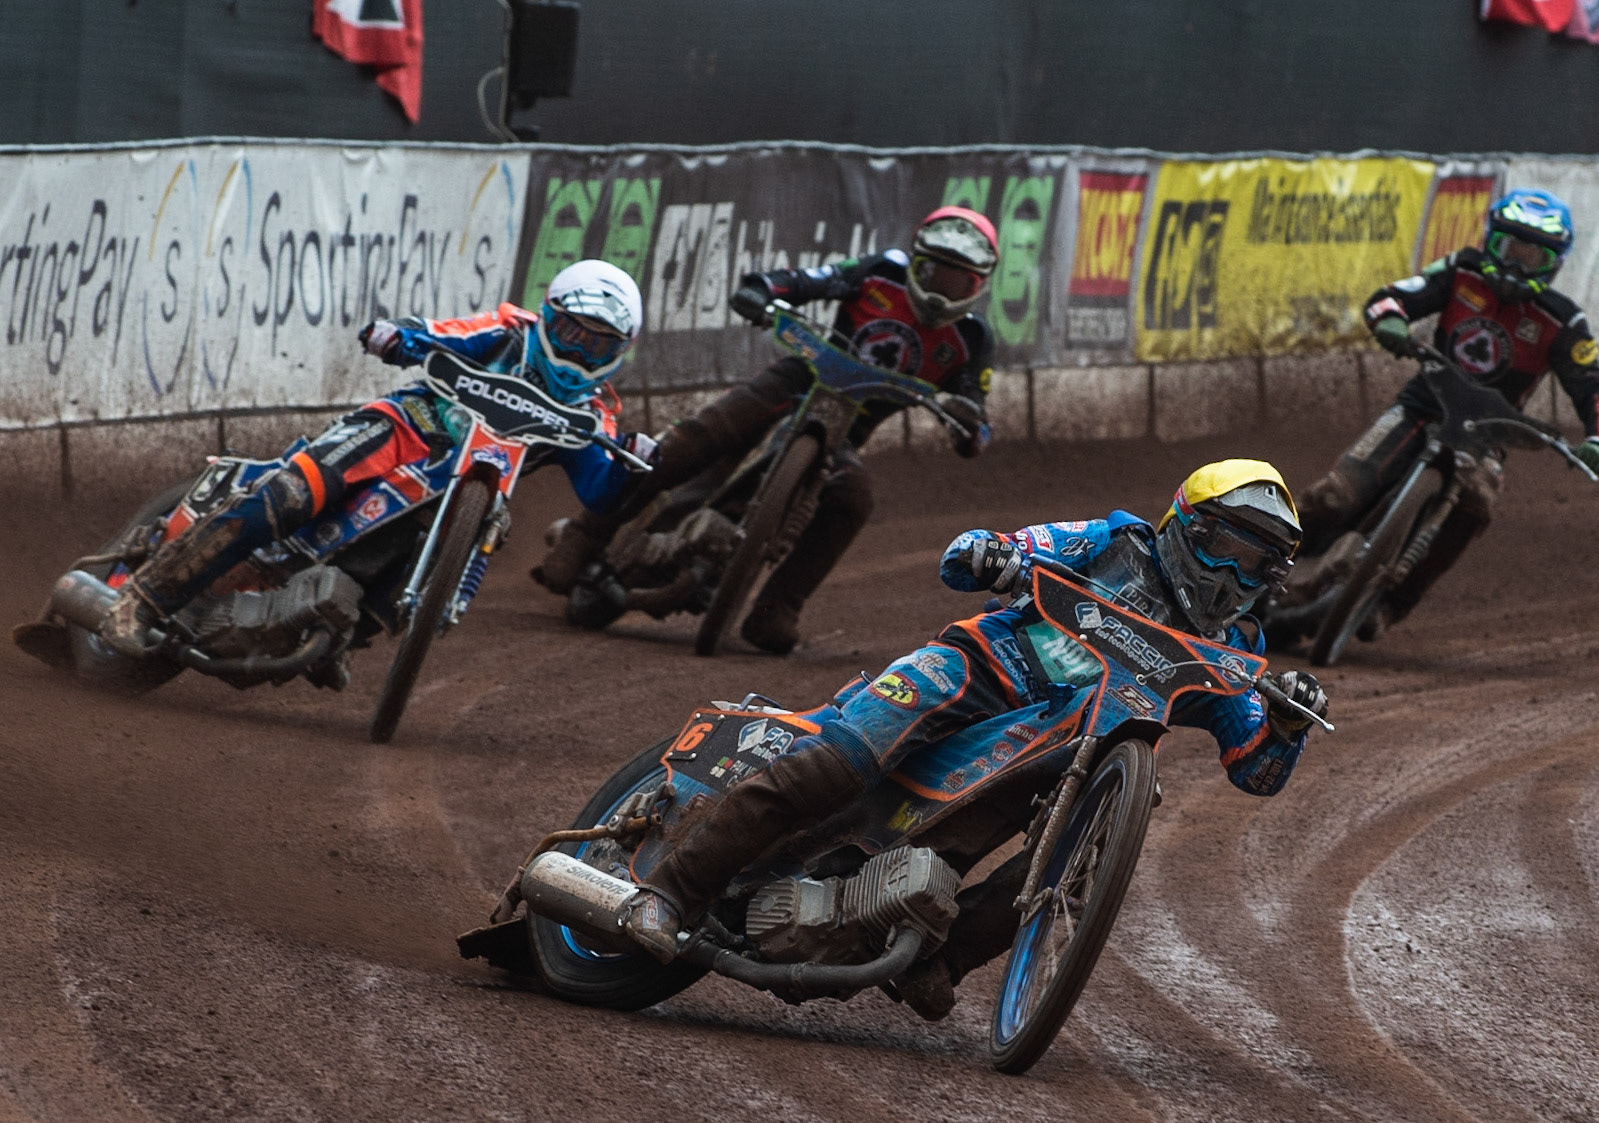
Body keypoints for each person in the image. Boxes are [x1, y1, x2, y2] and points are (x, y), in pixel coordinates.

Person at [618, 460, 1330, 1019]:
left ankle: (941, 961)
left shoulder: (1233, 649)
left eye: (1260, 562)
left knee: (1089, 849)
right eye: (1232, 547)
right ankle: (670, 889)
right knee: (847, 758)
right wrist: (1000, 555)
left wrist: (1288, 726)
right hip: (979, 670)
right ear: (1189, 526)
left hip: (1059, 753)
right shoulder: (1116, 542)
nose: (1239, 574)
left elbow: (1255, 767)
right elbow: (978, 554)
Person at [100, 259, 656, 660]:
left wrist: (632, 461)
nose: (580, 351)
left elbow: (600, 494)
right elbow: (442, 335)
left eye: (598, 344)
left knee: (478, 538)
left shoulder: (594, 413)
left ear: (620, 351)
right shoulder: (509, 332)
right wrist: (397, 336)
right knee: (292, 494)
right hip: (408, 429)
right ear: (548, 315)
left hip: (463, 489)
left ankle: (342, 631)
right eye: (571, 333)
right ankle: (142, 600)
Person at [533, 206, 1003, 655]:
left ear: (978, 285)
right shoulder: (883, 271)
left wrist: (968, 423)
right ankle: (584, 536)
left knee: (854, 497)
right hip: (798, 380)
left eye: (959, 279)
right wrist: (763, 289)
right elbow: (812, 280)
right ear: (917, 263)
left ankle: (777, 609)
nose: (942, 288)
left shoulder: (973, 340)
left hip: (845, 429)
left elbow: (975, 418)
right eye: (934, 272)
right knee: (706, 432)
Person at [1277, 188, 1599, 641]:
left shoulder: (1563, 321)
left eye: (1531, 257)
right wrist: (1390, 320)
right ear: (1489, 242)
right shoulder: (1462, 272)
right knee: (1334, 497)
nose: (1516, 265)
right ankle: (1253, 558)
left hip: (1488, 433)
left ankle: (1391, 604)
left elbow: (1595, 386)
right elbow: (1394, 295)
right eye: (1508, 250)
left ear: (1553, 263)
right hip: (1421, 405)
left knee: (1478, 501)